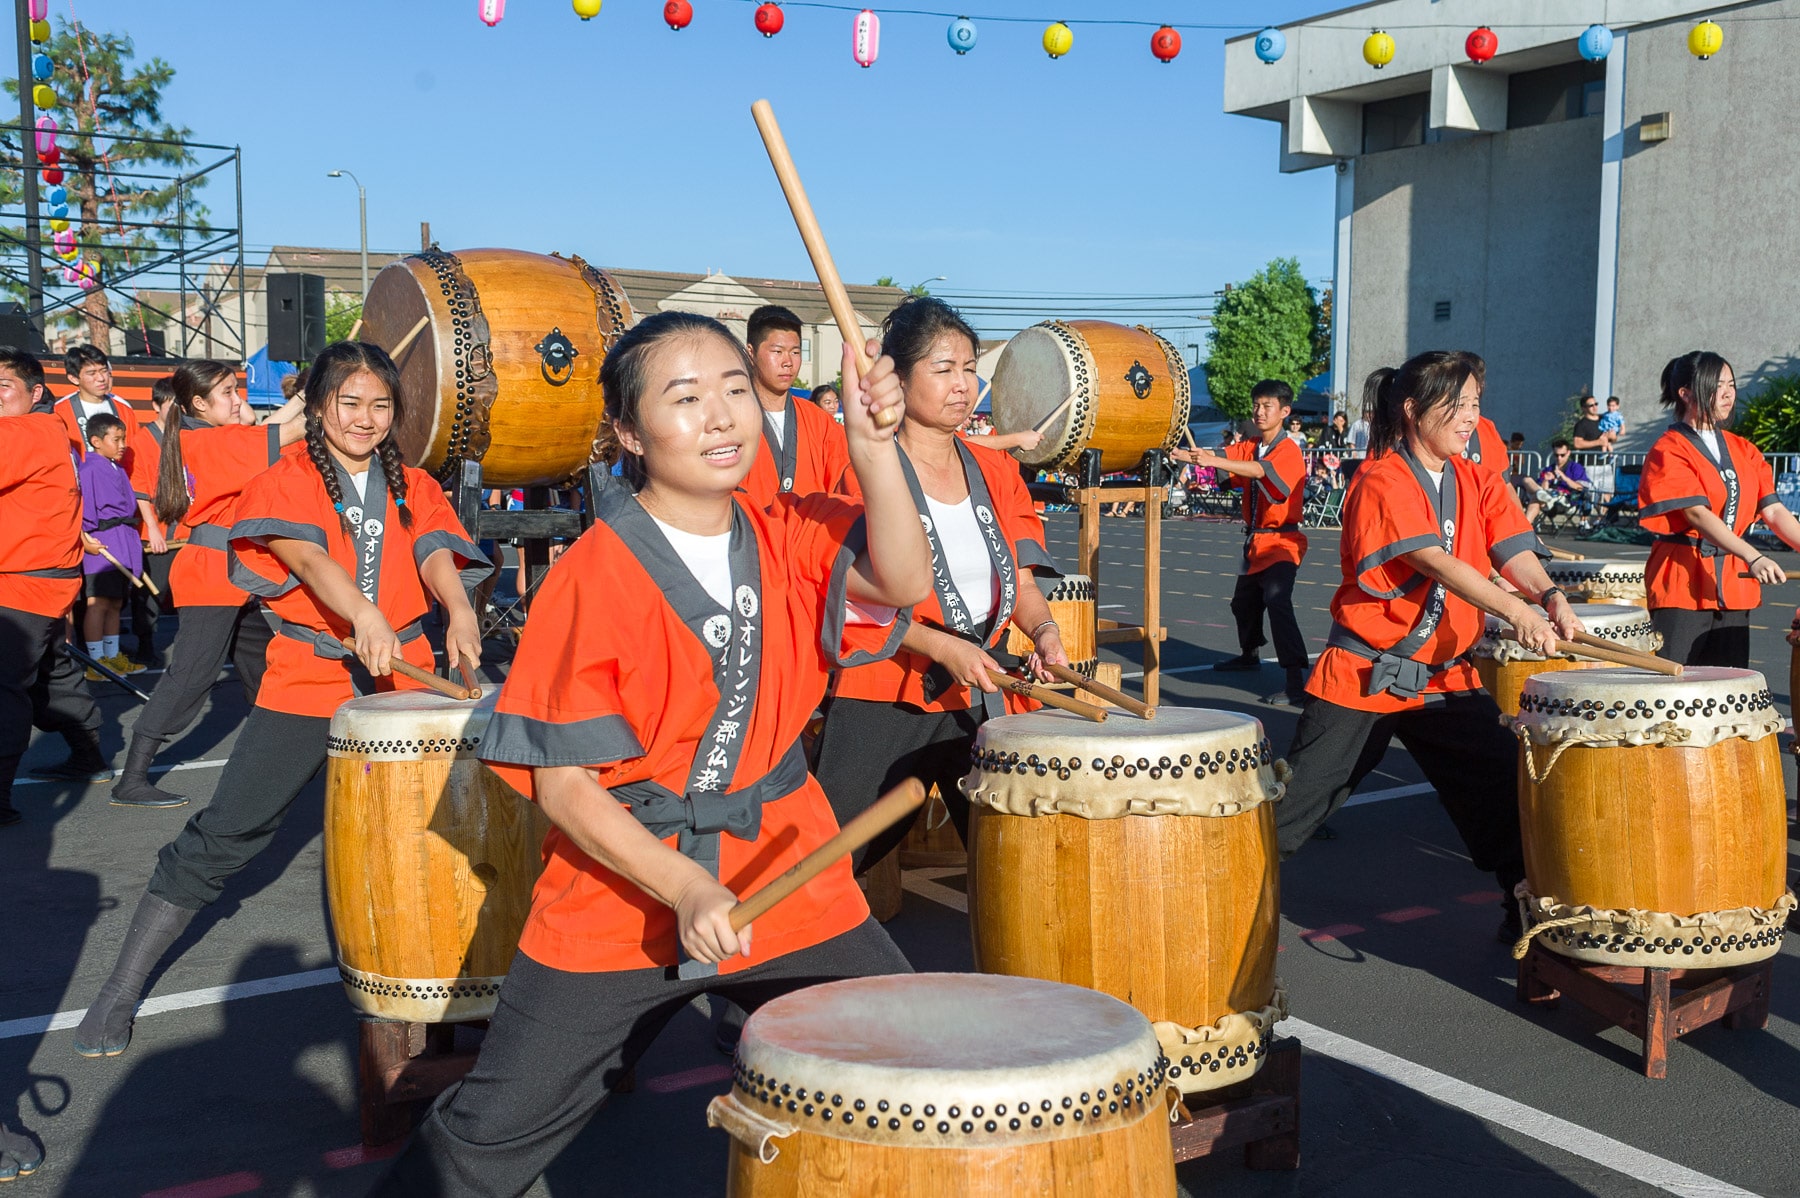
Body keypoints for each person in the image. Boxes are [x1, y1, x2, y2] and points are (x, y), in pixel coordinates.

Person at [372, 311, 931, 1193]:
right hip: (619, 889)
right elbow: (562, 786)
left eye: (735, 391)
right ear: (629, 434)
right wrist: (684, 885)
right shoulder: (589, 576)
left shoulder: (786, 526)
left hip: (785, 860)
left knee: (906, 1062)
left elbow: (903, 582)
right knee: (488, 1138)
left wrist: (874, 450)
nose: (720, 417)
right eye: (685, 398)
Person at [72, 341, 490, 1059]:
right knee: (229, 830)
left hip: (405, 677)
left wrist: (458, 609)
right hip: (312, 677)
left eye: (380, 405)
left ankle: (448, 999)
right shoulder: (285, 474)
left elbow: (434, 551)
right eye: (349, 402)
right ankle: (119, 989)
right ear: (319, 405)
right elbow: (307, 558)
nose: (365, 418)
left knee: (431, 840)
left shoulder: (414, 481)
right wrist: (362, 615)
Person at [1275, 352, 1585, 941]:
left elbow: (1512, 547)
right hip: (1368, 675)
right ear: (1413, 410)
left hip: (1444, 678)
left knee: (1501, 791)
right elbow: (1434, 560)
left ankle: (1528, 920)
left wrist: (1548, 596)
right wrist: (1514, 610)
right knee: (1297, 804)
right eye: (1457, 404)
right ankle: (1218, 902)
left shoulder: (1477, 477)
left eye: (1475, 403)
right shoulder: (1380, 479)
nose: (1471, 417)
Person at [812, 296, 1067, 864]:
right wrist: (937, 644)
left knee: (1018, 862)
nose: (963, 385)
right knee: (830, 862)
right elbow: (848, 597)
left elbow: (1022, 584)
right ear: (897, 378)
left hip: (982, 684)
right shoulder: (863, 471)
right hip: (888, 687)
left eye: (971, 368)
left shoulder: (996, 470)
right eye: (944, 368)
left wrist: (1045, 631)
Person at [107, 363, 306, 809]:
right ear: (198, 403)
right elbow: (289, 431)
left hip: (230, 574)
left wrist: (307, 392)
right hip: (212, 574)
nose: (238, 400)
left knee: (265, 666)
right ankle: (132, 778)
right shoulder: (209, 440)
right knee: (190, 678)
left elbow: (269, 428)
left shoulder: (203, 436)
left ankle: (277, 753)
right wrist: (330, 391)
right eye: (228, 392)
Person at [1637, 351, 1800, 667]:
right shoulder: (1668, 449)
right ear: (1685, 393)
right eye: (1716, 386)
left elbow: (1775, 511)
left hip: (1733, 581)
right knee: (1675, 684)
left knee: (1729, 685)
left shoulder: (1744, 449)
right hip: (1683, 579)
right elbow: (1696, 513)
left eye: (1731, 385)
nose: (1727, 394)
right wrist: (1752, 555)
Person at [0, 346, 106, 825]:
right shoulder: (53, 430)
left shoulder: (26, 430)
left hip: (22, 579)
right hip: (44, 575)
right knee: (49, 673)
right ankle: (89, 750)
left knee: (8, 687)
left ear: (35, 392)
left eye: (3, 390)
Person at [1175, 380, 1310, 705]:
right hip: (1255, 543)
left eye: (1267, 406)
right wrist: (1185, 455)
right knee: (1243, 603)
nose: (1259, 411)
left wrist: (1214, 461)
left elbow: (1258, 471)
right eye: (1257, 405)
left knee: (1278, 602)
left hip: (1282, 542)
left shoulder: (1288, 450)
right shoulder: (1251, 444)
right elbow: (1219, 456)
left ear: (1284, 411)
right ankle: (1249, 654)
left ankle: (1296, 681)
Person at [741, 305, 851, 507]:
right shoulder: (732, 420)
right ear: (751, 352)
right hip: (748, 535)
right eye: (777, 351)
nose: (788, 362)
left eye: (795, 352)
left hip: (811, 533)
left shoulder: (820, 422)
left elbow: (846, 482)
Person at [76, 413, 146, 678]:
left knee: (116, 603)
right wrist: (86, 541)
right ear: (96, 440)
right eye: (116, 439)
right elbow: (81, 511)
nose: (122, 445)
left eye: (123, 439)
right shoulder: (90, 468)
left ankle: (112, 656)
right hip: (101, 542)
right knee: (98, 603)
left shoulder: (115, 468)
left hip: (122, 541)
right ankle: (96, 662)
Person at [125, 376, 180, 668]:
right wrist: (154, 530)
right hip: (153, 531)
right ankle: (145, 644)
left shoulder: (186, 434)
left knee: (184, 593)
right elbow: (140, 489)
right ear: (156, 405)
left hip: (185, 530)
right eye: (171, 404)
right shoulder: (141, 440)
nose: (176, 411)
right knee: (149, 593)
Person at [52, 343, 138, 463]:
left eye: (103, 371)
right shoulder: (60, 412)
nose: (101, 378)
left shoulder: (123, 409)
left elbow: (134, 452)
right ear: (74, 378)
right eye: (92, 373)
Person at [1531, 439, 1589, 523]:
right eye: (1556, 455)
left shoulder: (1576, 468)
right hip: (1549, 496)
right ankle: (1526, 527)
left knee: (1537, 500)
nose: (1559, 458)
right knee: (1537, 496)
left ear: (1568, 453)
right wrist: (1546, 480)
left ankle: (1525, 527)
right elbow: (1542, 489)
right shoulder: (1549, 469)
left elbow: (1580, 487)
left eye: (1562, 455)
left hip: (1567, 500)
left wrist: (1565, 478)